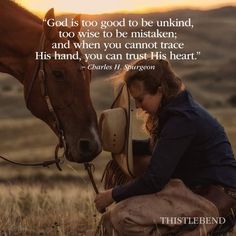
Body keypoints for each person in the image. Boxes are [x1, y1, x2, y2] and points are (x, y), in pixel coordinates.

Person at [95, 59, 236, 235]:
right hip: (193, 188)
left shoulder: (182, 119)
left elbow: (155, 179)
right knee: (109, 221)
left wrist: (112, 195)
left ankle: (207, 225)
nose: (138, 106)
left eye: (140, 99)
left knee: (122, 216)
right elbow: (156, 148)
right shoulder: (175, 111)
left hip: (214, 198)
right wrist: (116, 145)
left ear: (160, 91)